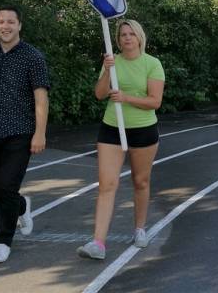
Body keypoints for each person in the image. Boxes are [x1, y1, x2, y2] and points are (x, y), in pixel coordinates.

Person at [78, 20, 165, 260]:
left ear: (139, 37)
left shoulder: (152, 64)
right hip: (112, 129)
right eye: (123, 35)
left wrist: (126, 97)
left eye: (131, 34)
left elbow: (155, 101)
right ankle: (98, 242)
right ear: (117, 39)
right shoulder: (112, 62)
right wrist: (107, 71)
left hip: (143, 130)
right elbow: (99, 94)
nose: (127, 38)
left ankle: (139, 228)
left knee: (140, 182)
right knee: (106, 184)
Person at [0, 6, 50, 264]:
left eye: (11, 22)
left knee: (6, 186)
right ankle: (21, 206)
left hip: (19, 133)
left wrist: (40, 133)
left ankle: (2, 240)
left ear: (19, 25)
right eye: (1, 21)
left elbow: (41, 98)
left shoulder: (32, 57)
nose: (5, 26)